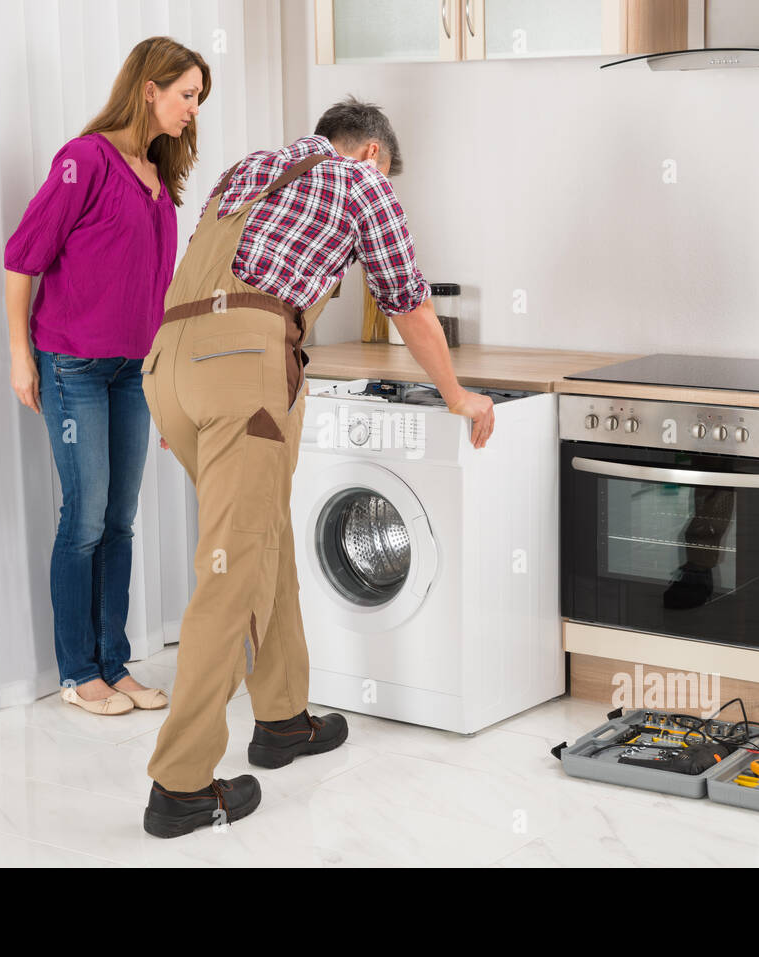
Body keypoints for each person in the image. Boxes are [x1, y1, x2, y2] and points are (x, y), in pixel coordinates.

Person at [139, 96, 496, 838]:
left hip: (171, 365)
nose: (384, 180)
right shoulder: (360, 181)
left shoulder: (251, 169)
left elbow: (198, 282)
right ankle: (180, 787)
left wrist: (187, 391)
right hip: (243, 369)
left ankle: (283, 718)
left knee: (261, 538)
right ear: (370, 153)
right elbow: (411, 305)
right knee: (231, 569)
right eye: (387, 169)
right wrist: (457, 395)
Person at [4, 37, 210, 717]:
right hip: (75, 366)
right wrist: (18, 353)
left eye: (199, 99)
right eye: (187, 94)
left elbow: (156, 294)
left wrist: (168, 381)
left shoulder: (158, 179)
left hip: (134, 372)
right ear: (149, 89)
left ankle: (114, 663)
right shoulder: (83, 160)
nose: (192, 110)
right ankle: (77, 671)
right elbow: (22, 258)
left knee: (119, 520)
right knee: (85, 517)